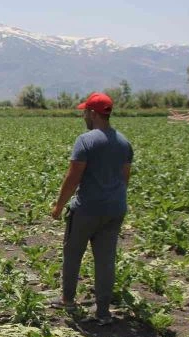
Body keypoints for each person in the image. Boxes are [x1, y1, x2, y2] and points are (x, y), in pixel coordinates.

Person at [50, 92, 133, 325]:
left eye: (85, 112)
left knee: (73, 253)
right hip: (115, 209)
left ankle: (67, 300)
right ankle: (103, 312)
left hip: (87, 209)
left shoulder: (85, 140)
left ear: (94, 114)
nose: (83, 116)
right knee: (106, 259)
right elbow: (125, 178)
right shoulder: (124, 142)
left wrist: (58, 206)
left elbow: (73, 177)